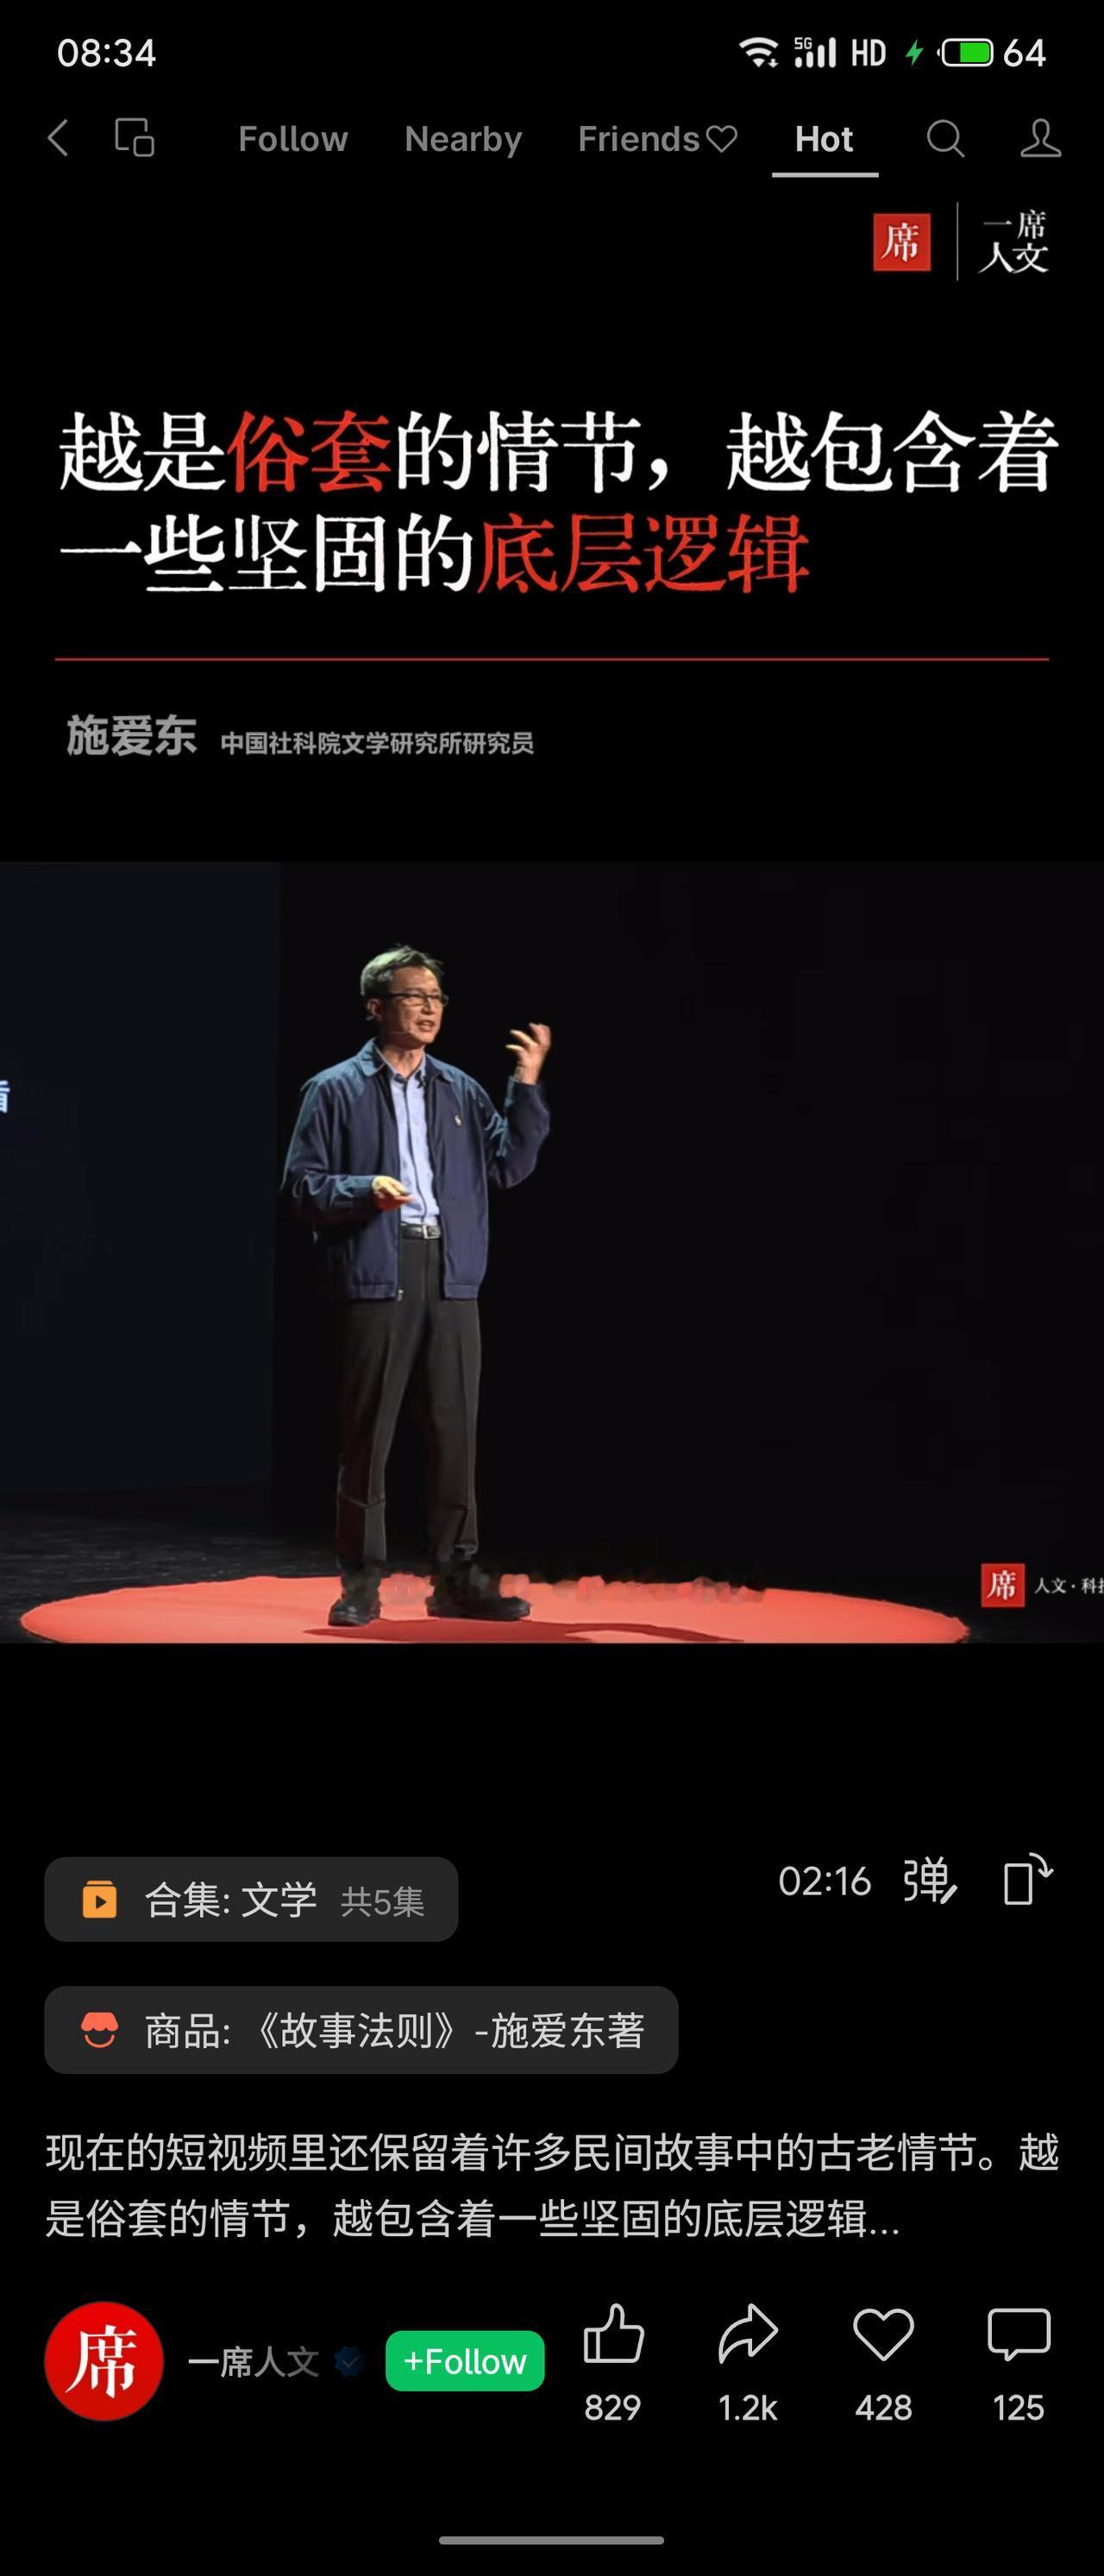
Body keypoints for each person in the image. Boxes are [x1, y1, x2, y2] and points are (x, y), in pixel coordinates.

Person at [280, 946, 552, 1625]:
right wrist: (363, 1190)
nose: (429, 1008)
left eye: (437, 998)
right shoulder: (334, 1088)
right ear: (376, 1007)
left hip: (451, 1272)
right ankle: (360, 1583)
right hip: (377, 1268)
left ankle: (456, 1579)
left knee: (455, 1432)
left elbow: (510, 1165)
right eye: (414, 996)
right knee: (368, 1435)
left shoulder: (460, 1089)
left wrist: (525, 1085)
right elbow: (301, 1187)